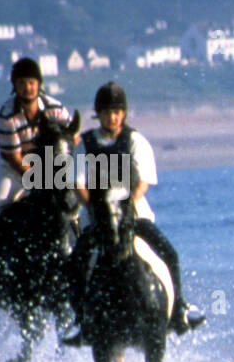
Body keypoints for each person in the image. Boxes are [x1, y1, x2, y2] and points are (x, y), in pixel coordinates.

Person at [61, 82, 204, 344]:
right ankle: (81, 320)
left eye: (117, 112)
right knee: (75, 262)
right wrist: (96, 208)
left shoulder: (135, 141)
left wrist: (124, 206)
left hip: (134, 216)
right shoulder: (86, 144)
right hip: (100, 219)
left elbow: (143, 182)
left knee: (169, 253)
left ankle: (179, 309)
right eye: (107, 112)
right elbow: (77, 183)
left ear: (123, 114)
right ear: (99, 114)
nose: (112, 117)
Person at [0, 56, 72, 242]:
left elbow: (72, 139)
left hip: (52, 170)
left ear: (39, 84)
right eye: (22, 83)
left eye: (31, 82)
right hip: (14, 170)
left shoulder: (57, 110)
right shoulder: (6, 117)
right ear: (14, 86)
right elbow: (14, 158)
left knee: (75, 209)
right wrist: (40, 180)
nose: (27, 88)